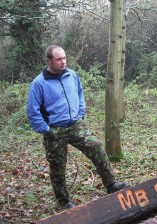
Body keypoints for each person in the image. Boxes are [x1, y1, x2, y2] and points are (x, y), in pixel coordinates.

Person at [26, 45, 129, 209]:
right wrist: (45, 130)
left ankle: (111, 184)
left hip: (75, 125)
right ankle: (64, 201)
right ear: (49, 61)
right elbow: (33, 110)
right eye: (59, 59)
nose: (63, 62)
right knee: (58, 166)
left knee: (96, 147)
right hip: (54, 129)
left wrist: (80, 113)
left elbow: (80, 94)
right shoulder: (39, 83)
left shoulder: (71, 75)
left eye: (64, 58)